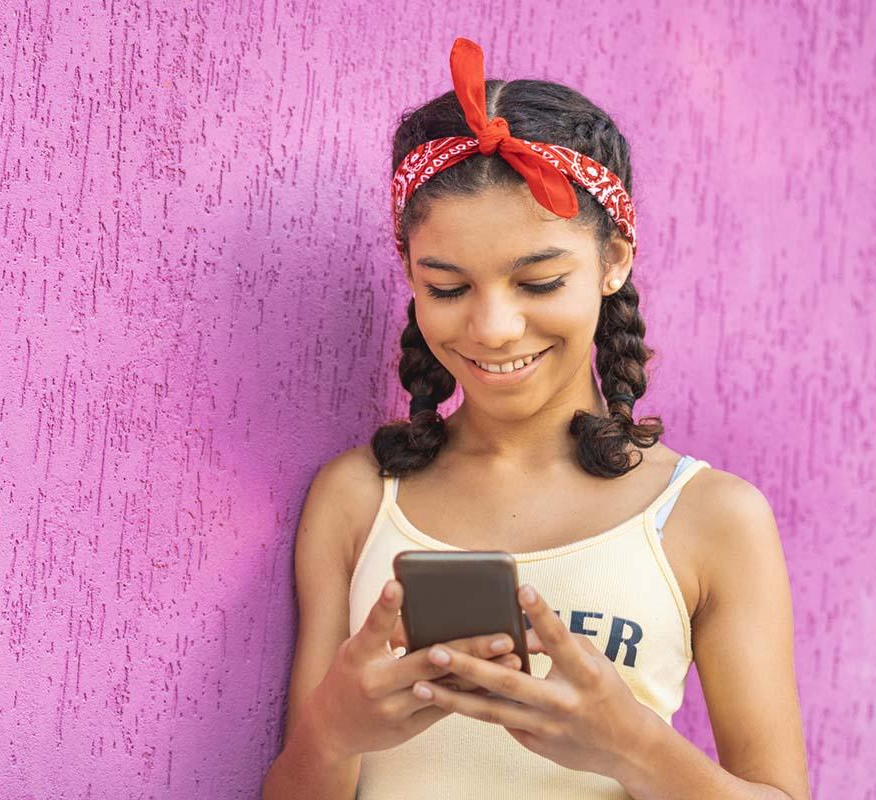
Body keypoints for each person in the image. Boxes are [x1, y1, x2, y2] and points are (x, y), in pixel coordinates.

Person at [261, 37, 810, 800]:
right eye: (447, 288)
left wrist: (636, 749)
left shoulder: (710, 518)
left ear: (613, 260)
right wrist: (334, 733)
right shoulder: (357, 498)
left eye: (540, 281)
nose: (492, 327)